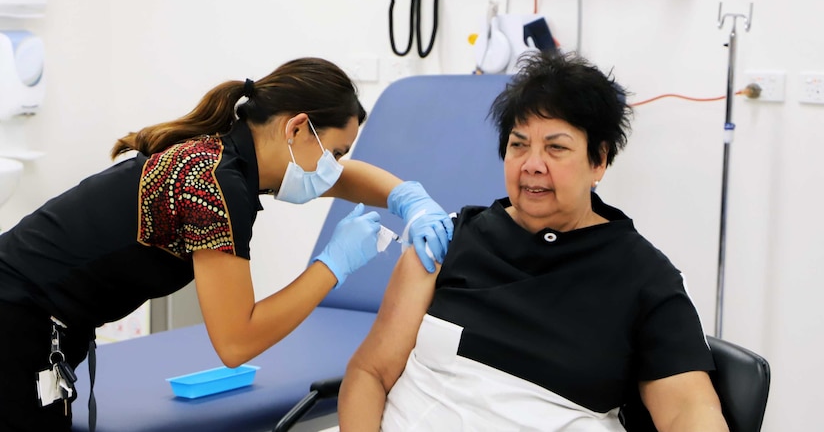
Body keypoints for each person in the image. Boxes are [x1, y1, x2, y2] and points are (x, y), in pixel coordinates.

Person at [0, 57, 453, 431]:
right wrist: (332, 265)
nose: (335, 169)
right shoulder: (218, 186)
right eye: (335, 152)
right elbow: (236, 342)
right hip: (16, 322)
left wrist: (407, 198)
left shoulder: (222, 155)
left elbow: (340, 181)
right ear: (296, 129)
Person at [338, 50, 729, 431]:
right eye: (518, 144)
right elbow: (370, 372)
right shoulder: (448, 241)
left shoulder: (646, 280)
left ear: (599, 161)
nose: (532, 164)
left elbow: (688, 411)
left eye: (556, 148)